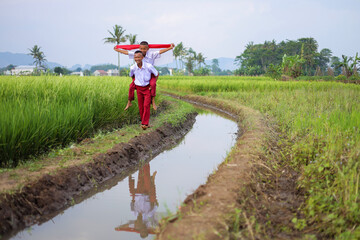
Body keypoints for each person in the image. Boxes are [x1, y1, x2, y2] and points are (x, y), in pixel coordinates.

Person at [114, 41, 174, 111]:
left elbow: (160, 51)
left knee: (153, 84)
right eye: (141, 49)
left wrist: (170, 48)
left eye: (144, 49)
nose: (143, 50)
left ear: (148, 49)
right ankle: (129, 102)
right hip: (139, 74)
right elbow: (127, 52)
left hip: (149, 73)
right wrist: (117, 50)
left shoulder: (151, 54)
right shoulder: (137, 54)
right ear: (139, 48)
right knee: (131, 86)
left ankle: (153, 101)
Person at [130, 50, 159, 130]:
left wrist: (152, 84)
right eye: (135, 57)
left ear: (142, 57)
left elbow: (156, 74)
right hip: (139, 89)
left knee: (146, 105)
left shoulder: (149, 66)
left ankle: (144, 124)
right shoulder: (133, 67)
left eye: (139, 57)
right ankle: (145, 123)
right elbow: (132, 76)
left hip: (147, 88)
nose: (137, 59)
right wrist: (135, 83)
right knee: (141, 107)